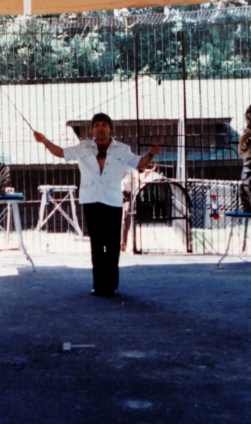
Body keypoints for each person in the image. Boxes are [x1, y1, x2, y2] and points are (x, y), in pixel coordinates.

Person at [34, 114, 160, 297]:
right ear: (92, 129)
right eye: (97, 125)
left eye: (104, 124)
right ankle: (99, 285)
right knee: (97, 243)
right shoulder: (83, 147)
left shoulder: (123, 149)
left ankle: (111, 285)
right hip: (91, 199)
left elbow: (139, 163)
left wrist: (151, 154)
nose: (100, 128)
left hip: (112, 199)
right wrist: (44, 141)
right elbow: (61, 152)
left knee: (112, 244)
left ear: (110, 128)